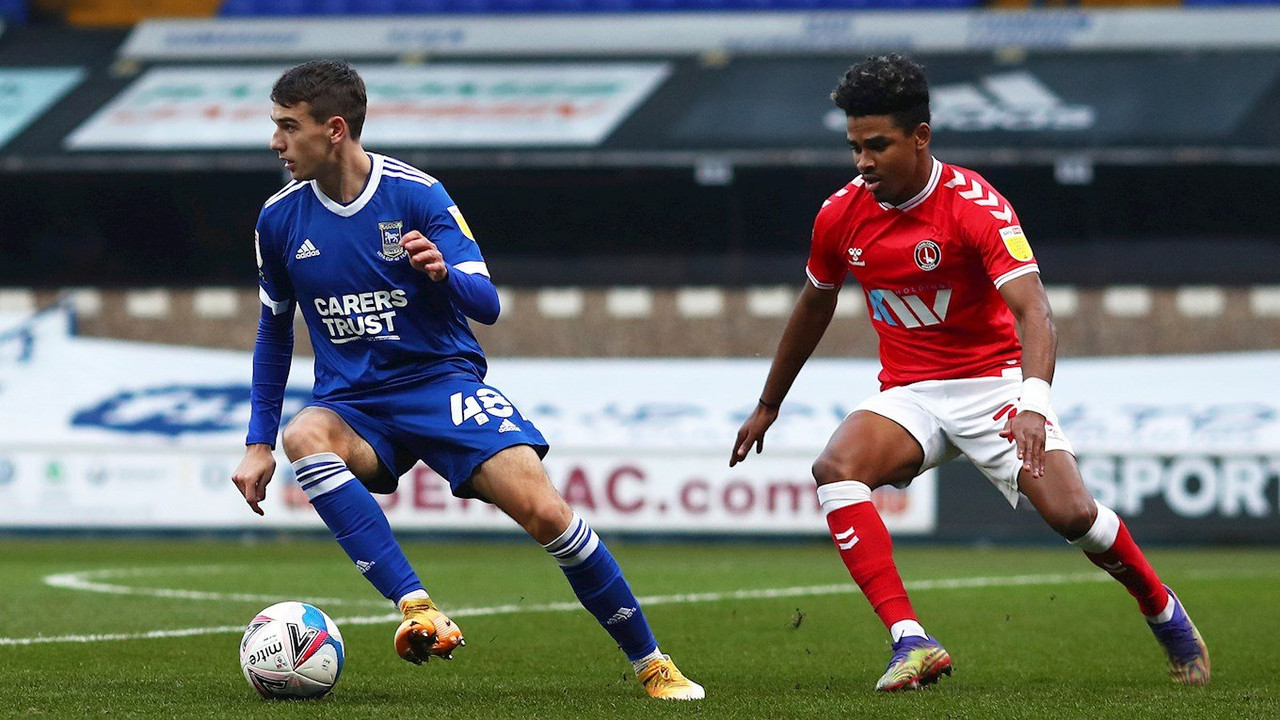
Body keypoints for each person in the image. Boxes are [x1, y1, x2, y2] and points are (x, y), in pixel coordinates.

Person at [730, 54, 1209, 692]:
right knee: (835, 470)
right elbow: (814, 304)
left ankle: (1161, 607)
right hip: (910, 395)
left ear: (920, 136)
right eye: (854, 148)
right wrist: (769, 403)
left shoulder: (975, 206)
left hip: (994, 387)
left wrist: (1033, 403)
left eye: (877, 146)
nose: (863, 162)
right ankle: (912, 640)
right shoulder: (840, 214)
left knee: (1073, 516)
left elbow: (1035, 312)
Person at [231, 59, 703, 701]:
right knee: (304, 434)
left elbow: (487, 304)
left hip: (441, 385)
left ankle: (652, 663)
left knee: (548, 514)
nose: (275, 142)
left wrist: (442, 274)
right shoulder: (278, 219)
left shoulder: (417, 195)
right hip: (354, 406)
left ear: (334, 129)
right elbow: (273, 331)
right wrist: (258, 442)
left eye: (289, 127)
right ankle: (416, 607)